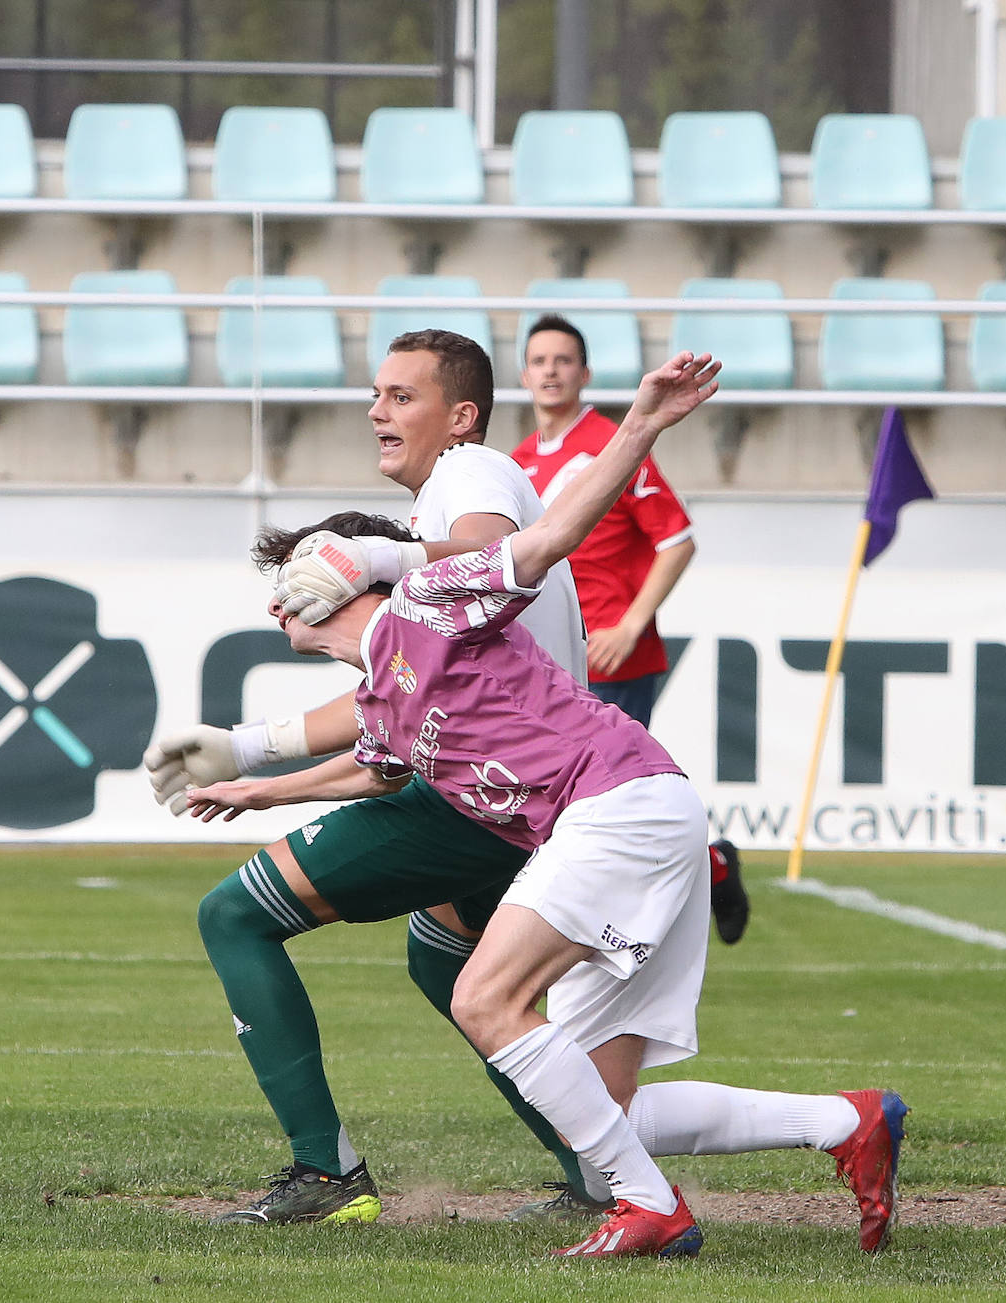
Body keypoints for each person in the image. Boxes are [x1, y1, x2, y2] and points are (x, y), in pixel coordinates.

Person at [186, 351, 908, 1259]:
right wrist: (252, 785)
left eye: (288, 577)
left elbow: (550, 534)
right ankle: (846, 1120)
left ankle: (651, 1210)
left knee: (482, 997)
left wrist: (641, 423)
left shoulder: (428, 595)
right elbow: (372, 770)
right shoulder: (382, 690)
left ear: (338, 579)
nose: (273, 600)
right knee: (604, 1106)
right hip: (641, 812)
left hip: (618, 805)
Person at [146, 330, 608, 1224]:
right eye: (376, 393)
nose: (376, 411)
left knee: (233, 916)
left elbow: (491, 554)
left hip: (487, 799)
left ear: (461, 415)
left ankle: (325, 1173)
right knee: (448, 970)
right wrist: (247, 753)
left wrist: (379, 559)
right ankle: (597, 1171)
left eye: (400, 395)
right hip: (528, 798)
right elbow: (390, 716)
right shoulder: (452, 503)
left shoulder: (468, 474)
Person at [513, 314, 749, 948]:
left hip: (613, 656)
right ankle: (698, 872)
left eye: (563, 360)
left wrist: (629, 623)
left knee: (607, 803)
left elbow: (676, 540)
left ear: (584, 374)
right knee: (558, 803)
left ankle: (618, 925)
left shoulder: (611, 445)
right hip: (546, 663)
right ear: (523, 374)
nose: (551, 370)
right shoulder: (513, 465)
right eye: (540, 360)